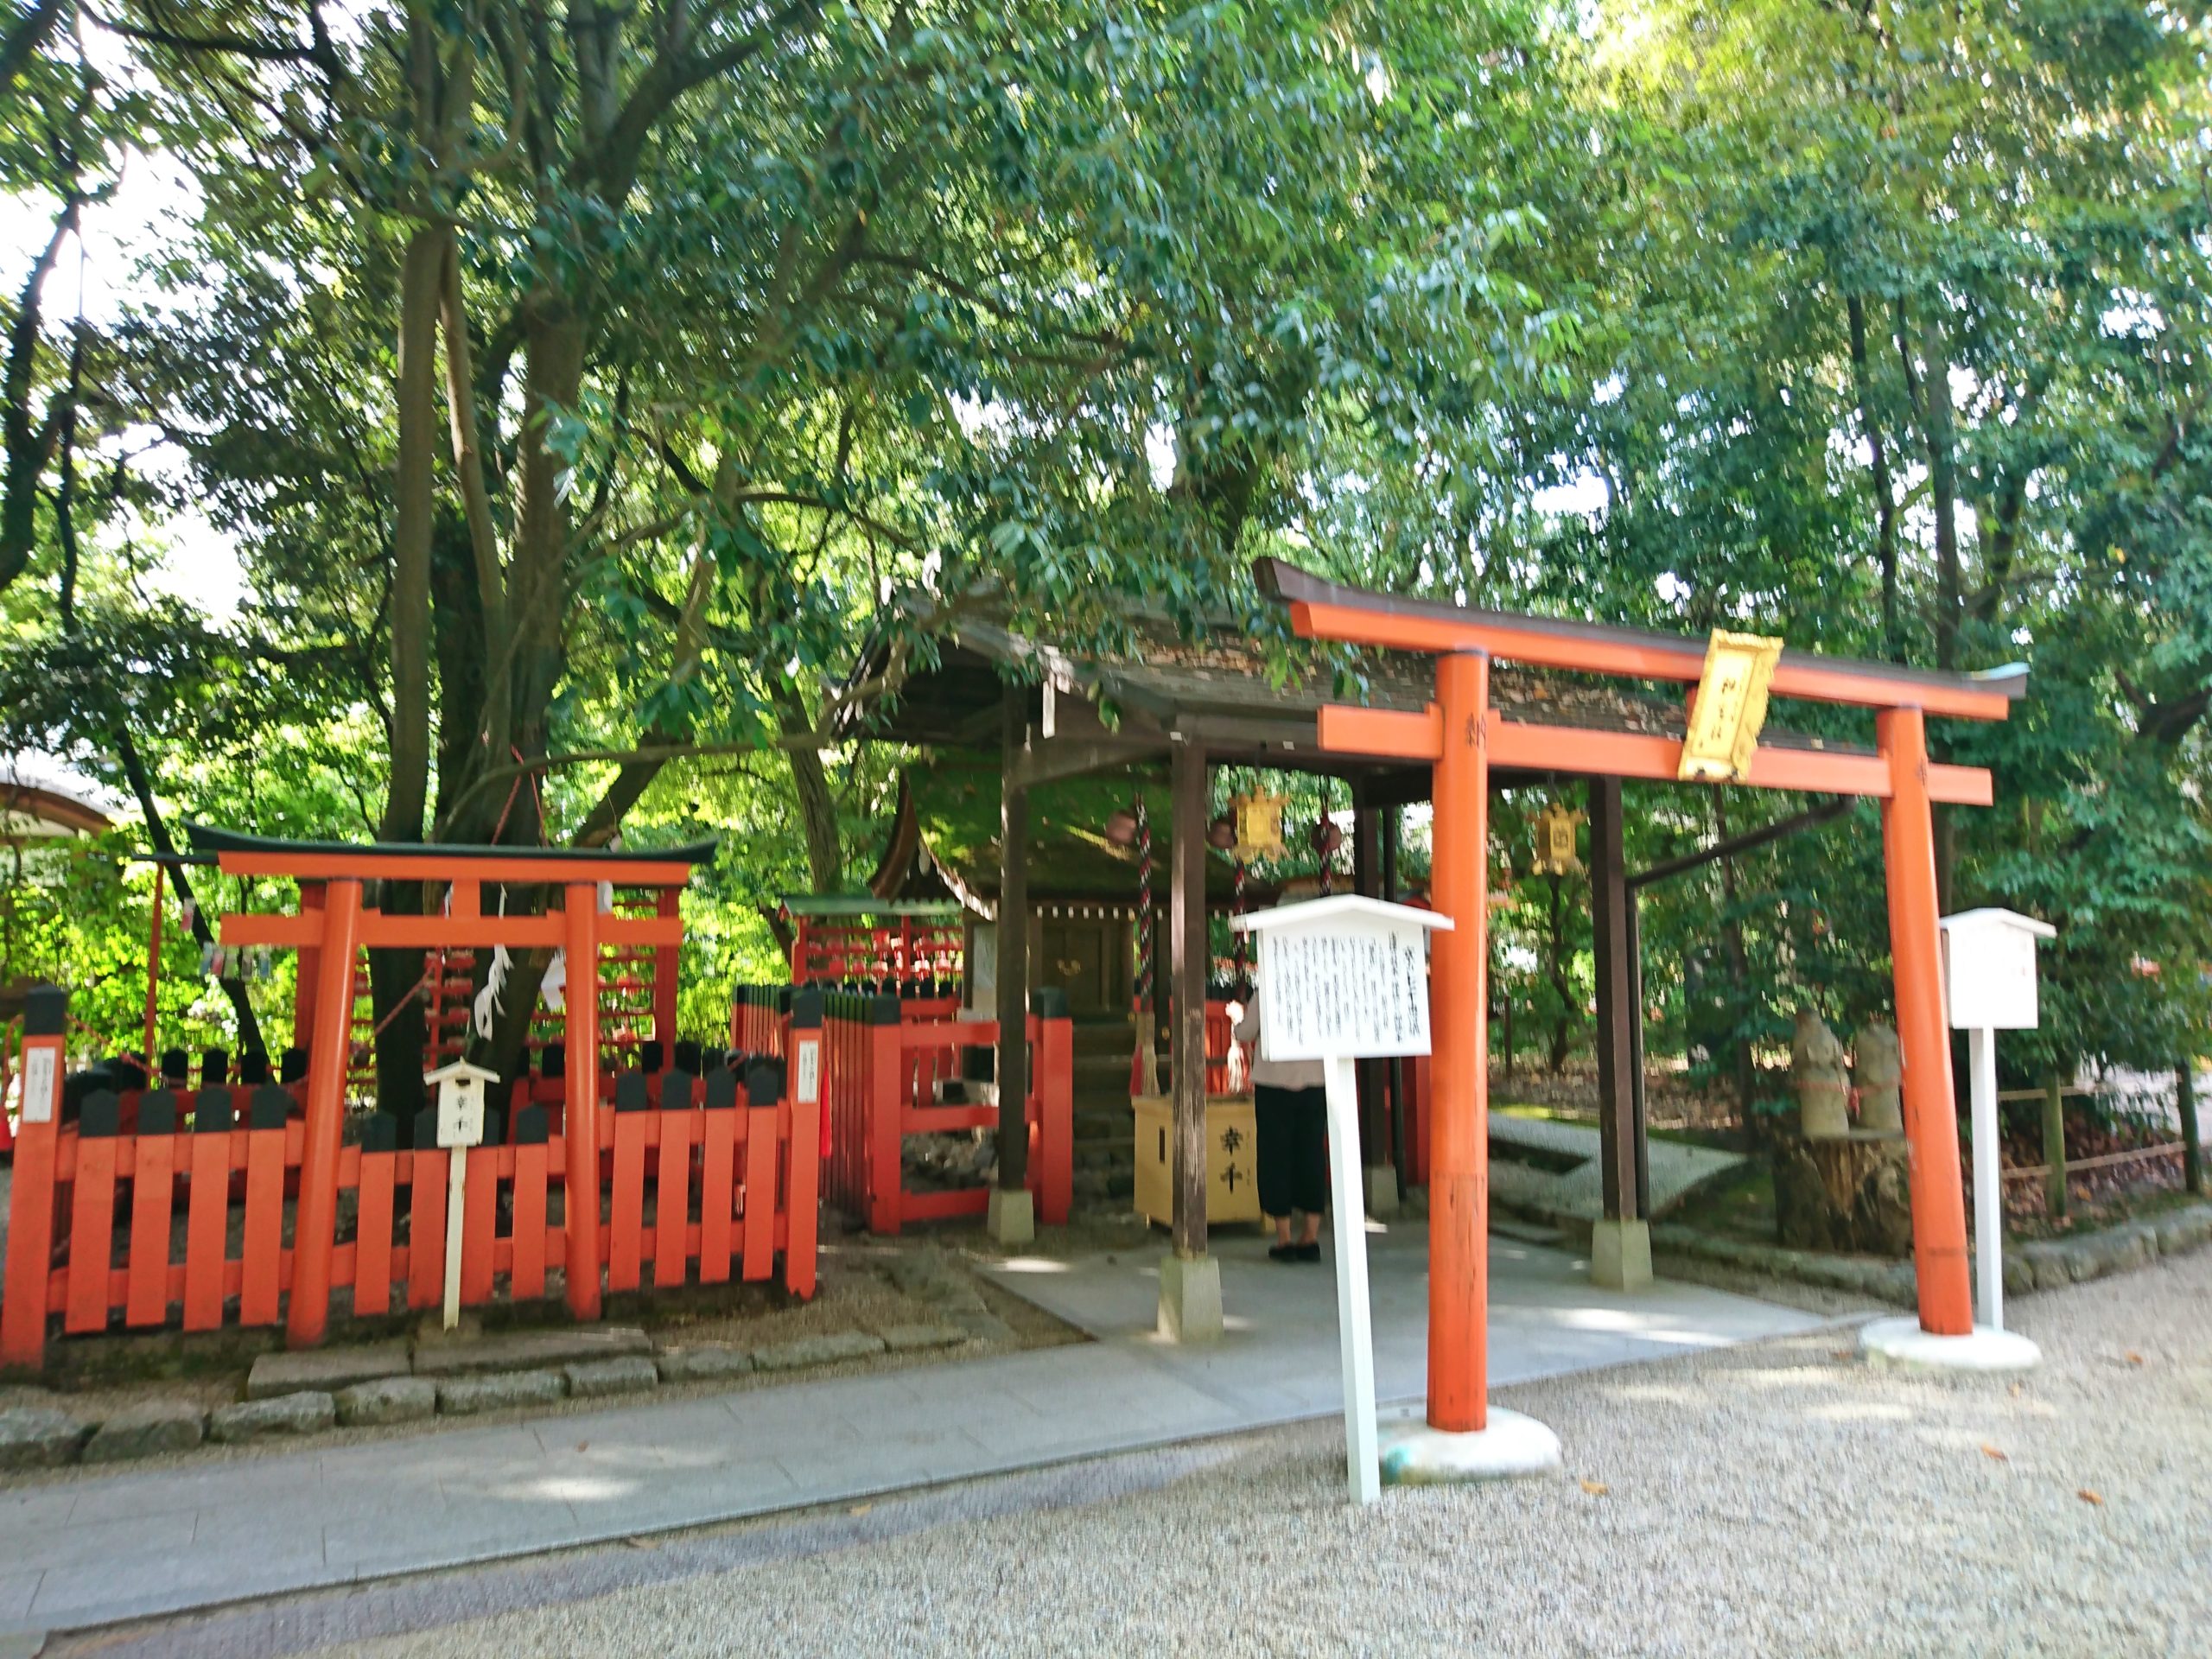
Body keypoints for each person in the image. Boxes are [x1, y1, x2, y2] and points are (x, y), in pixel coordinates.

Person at [1234, 980, 1326, 1262]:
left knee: (1276, 1155)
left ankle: (1285, 1238)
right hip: (1316, 1080)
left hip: (1274, 1082)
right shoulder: (1320, 988)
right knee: (1311, 1154)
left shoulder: (1268, 993)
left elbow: (1245, 1032)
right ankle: (1311, 1236)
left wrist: (1237, 1017)